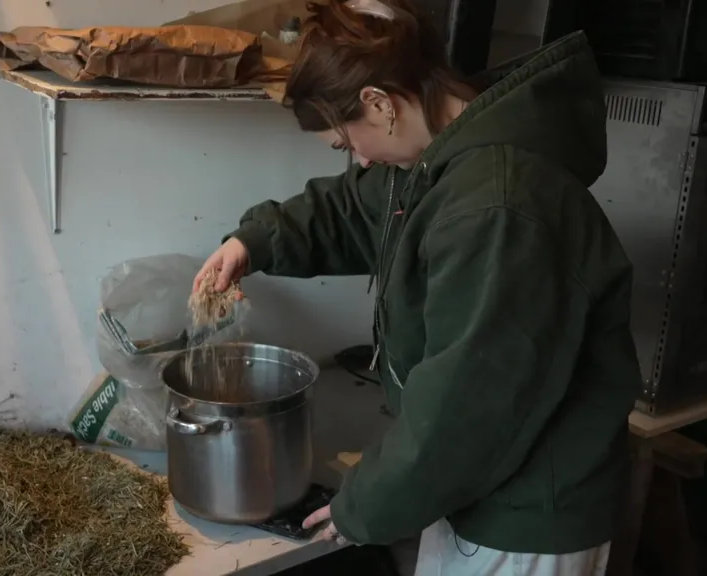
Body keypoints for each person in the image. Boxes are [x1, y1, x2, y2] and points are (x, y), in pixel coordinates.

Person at [193, 0, 641, 573]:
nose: (355, 158)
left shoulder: (495, 205)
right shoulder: (439, 163)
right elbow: (356, 209)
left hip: (526, 518)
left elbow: (468, 403)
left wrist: (367, 506)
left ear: (380, 104)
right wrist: (252, 241)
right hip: (478, 489)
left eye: (346, 141)